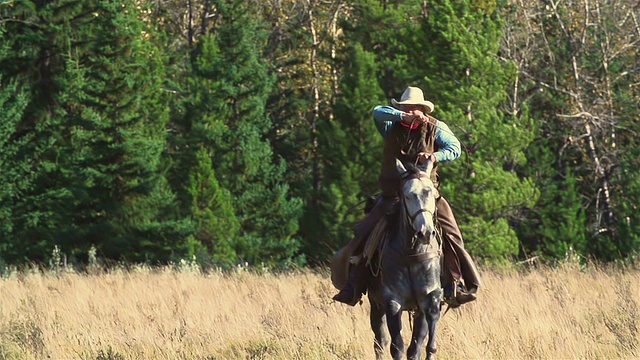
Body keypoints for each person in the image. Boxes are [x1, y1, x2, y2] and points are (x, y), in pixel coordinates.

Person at [331, 86, 481, 307]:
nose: (412, 111)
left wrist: (434, 155)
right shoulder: (389, 124)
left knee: (452, 235)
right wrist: (403, 115)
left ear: (423, 109)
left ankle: (457, 284)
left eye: (415, 107)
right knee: (363, 233)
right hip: (393, 195)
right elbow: (377, 111)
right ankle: (355, 284)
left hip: (427, 197)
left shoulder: (435, 127)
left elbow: (455, 147)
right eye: (406, 107)